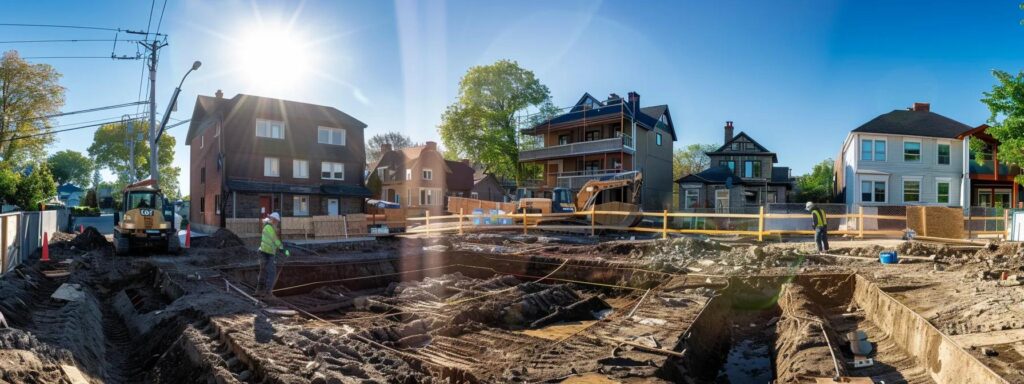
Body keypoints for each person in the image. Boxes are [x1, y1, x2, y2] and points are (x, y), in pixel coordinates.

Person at [257, 212, 289, 297]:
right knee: (271, 273)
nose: (277, 223)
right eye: (277, 221)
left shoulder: (268, 226)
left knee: (263, 271)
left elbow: (273, 240)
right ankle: (268, 293)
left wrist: (281, 246)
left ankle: (259, 291)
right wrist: (283, 249)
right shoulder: (269, 227)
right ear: (274, 220)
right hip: (267, 253)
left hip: (264, 252)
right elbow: (275, 239)